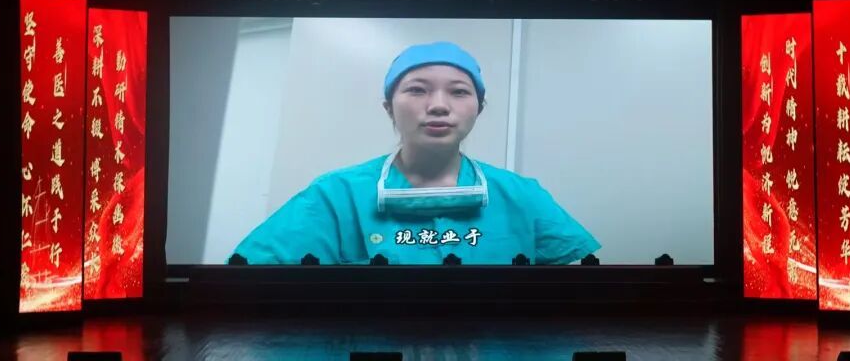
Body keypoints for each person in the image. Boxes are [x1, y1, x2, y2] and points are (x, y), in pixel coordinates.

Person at [231, 41, 600, 265]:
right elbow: (249, 280)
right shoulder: (335, 196)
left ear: (479, 108)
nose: (438, 105)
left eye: (459, 91)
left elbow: (576, 303)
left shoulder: (522, 196)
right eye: (417, 90)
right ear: (389, 108)